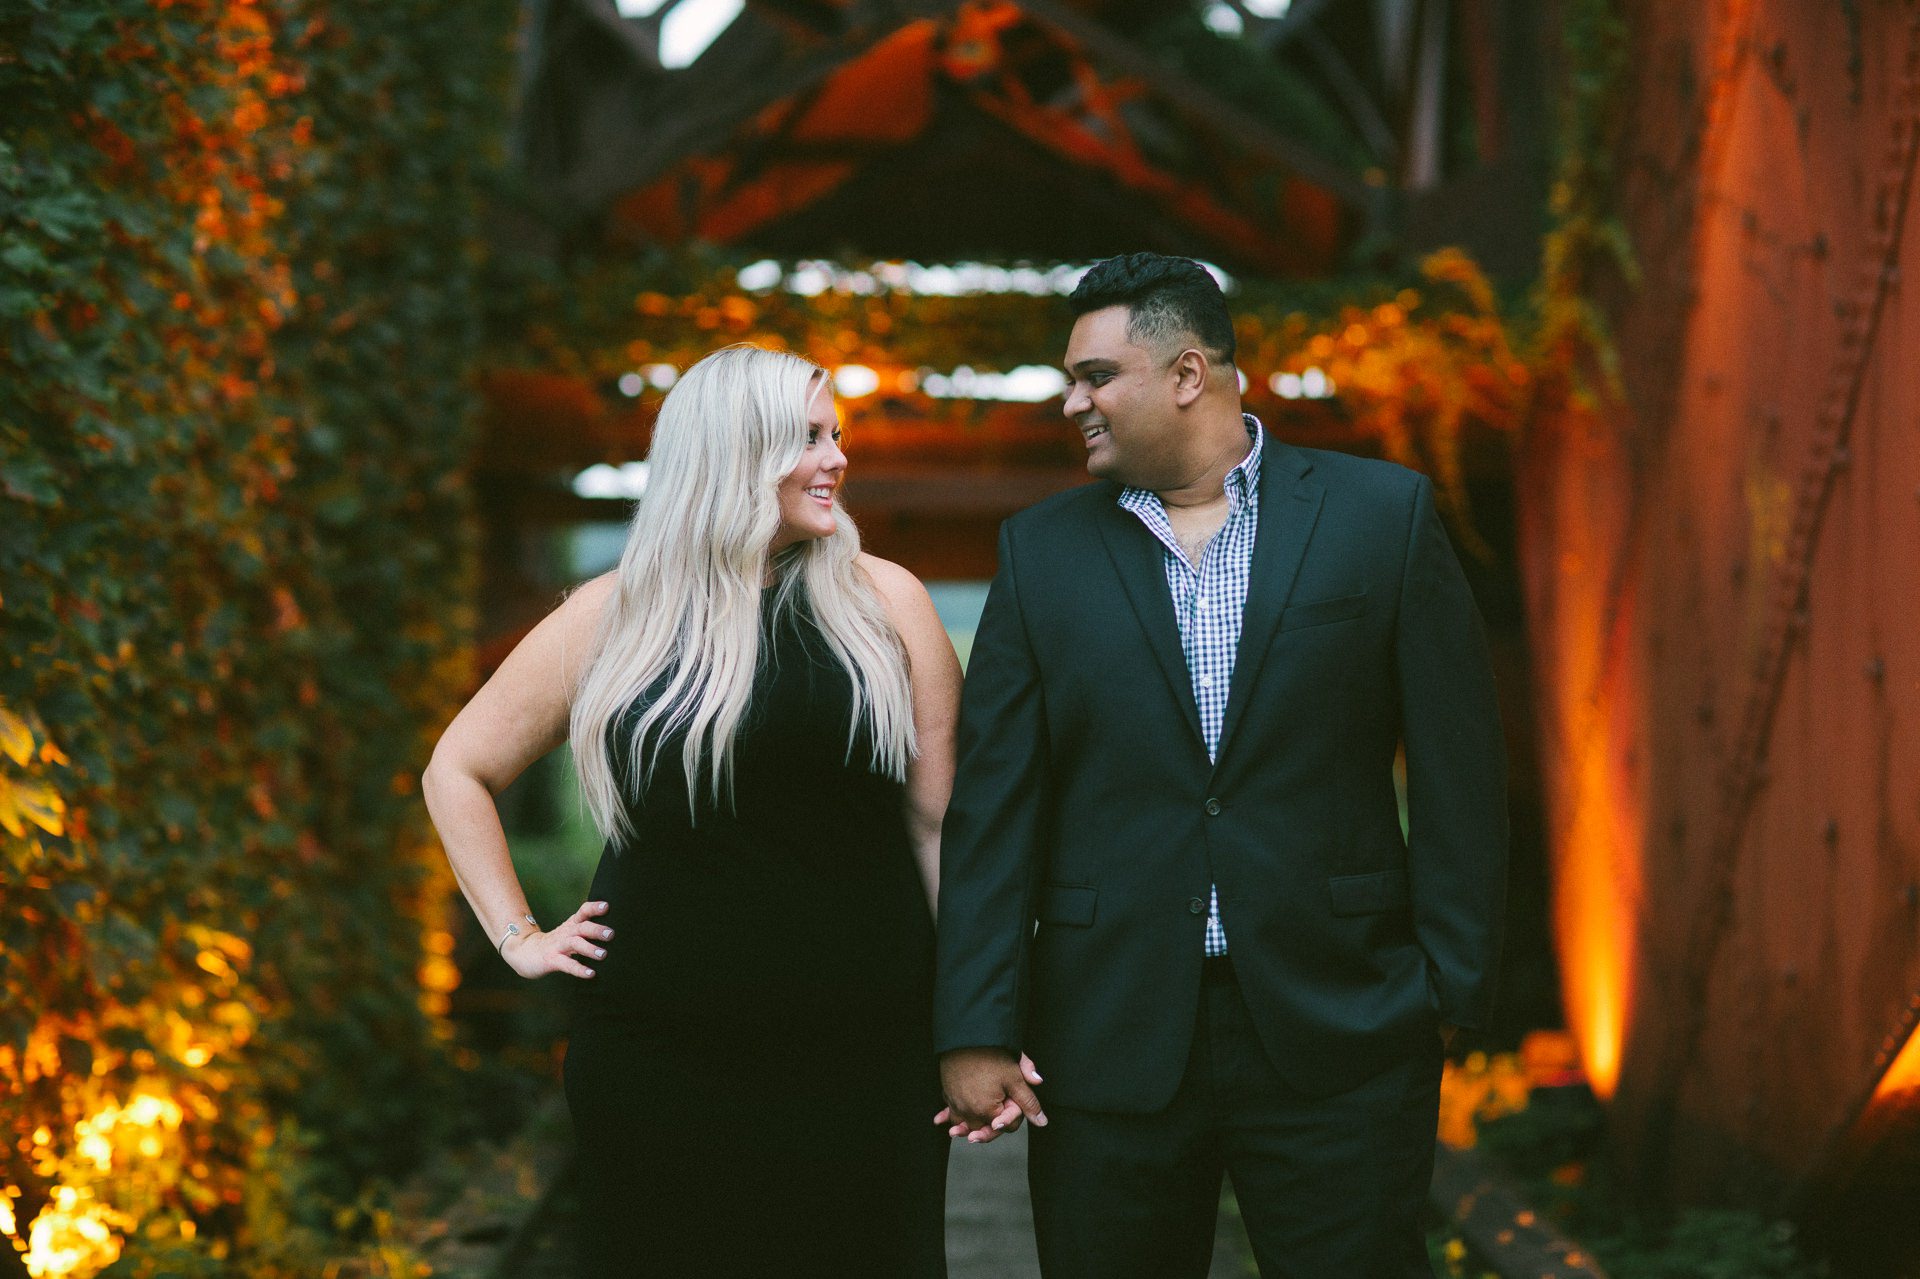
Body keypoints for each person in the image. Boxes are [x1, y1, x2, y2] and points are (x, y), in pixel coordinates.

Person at [933, 253, 1509, 1278]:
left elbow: (1462, 772)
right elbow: (995, 807)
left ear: (1188, 373)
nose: (1074, 403)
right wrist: (976, 1025)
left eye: (1096, 376)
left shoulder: (1385, 517)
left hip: (1345, 1025)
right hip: (1106, 1032)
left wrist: (1447, 987)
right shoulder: (1040, 553)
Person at [422, 345, 960, 1277]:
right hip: (657, 1056)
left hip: (866, 1053)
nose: (836, 457)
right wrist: (518, 936)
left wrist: (974, 1018)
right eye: (806, 437)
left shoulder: (887, 604)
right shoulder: (614, 614)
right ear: (729, 452)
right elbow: (457, 767)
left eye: (836, 436)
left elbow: (938, 827)